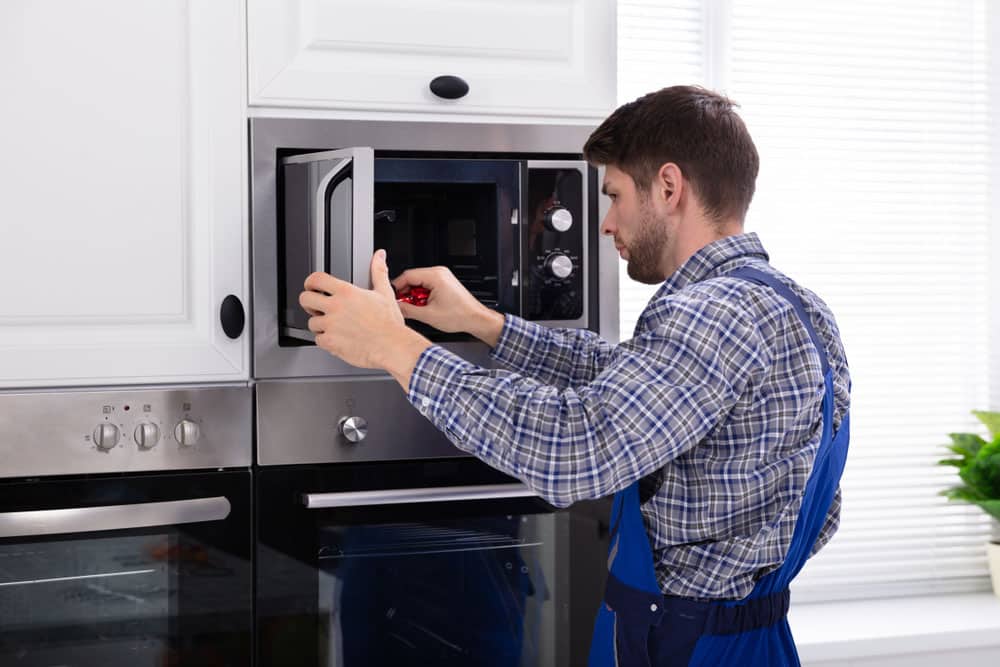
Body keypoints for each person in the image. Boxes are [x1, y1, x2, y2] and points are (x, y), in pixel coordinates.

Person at [298, 85, 851, 667]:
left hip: (683, 647)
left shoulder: (706, 315)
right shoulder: (797, 307)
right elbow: (629, 380)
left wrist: (396, 348)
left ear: (668, 187)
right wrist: (483, 323)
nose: (608, 224)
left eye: (614, 195)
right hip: (754, 639)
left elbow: (575, 448)